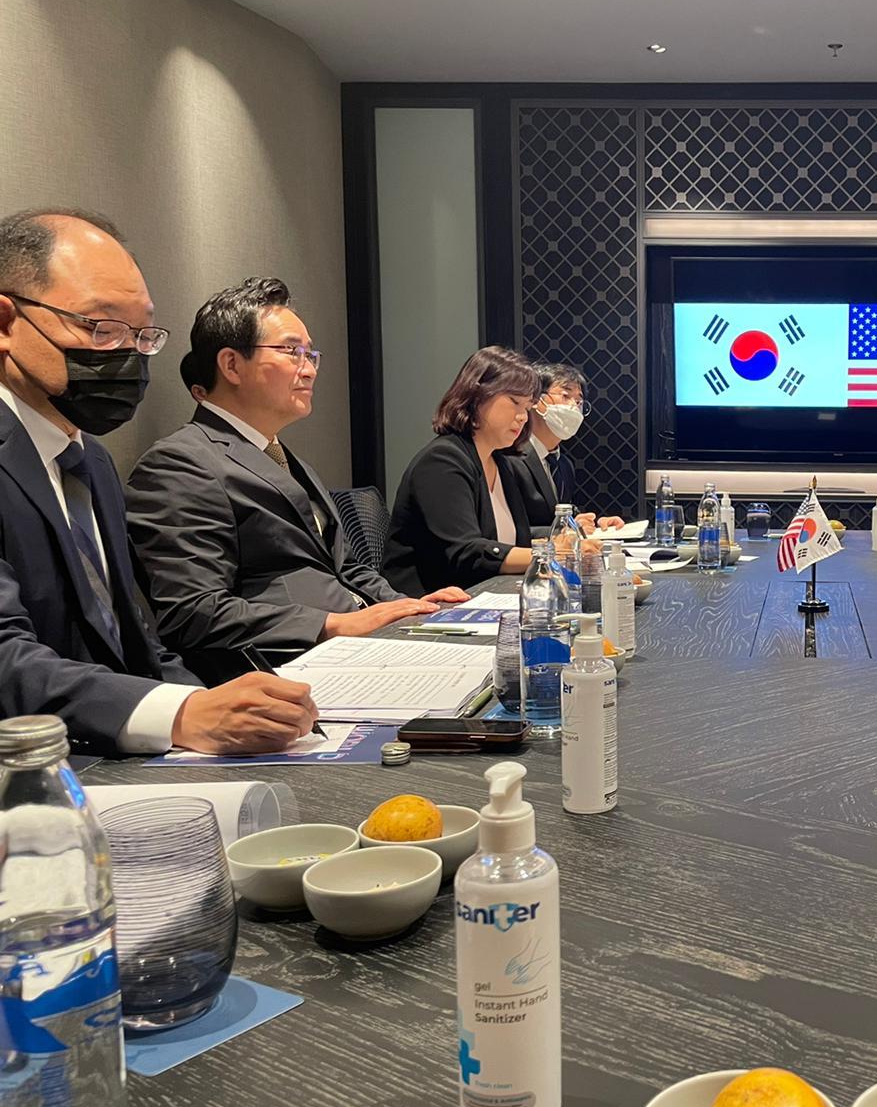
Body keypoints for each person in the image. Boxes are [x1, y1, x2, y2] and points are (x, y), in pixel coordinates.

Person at [0, 208, 316, 754]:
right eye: (100, 327)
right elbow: (7, 658)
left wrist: (219, 713)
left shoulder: (90, 462)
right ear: (6, 323)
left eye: (141, 333)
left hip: (119, 758)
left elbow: (137, 644)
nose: (126, 352)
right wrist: (184, 713)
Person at [125, 277, 466, 667]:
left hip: (359, 650)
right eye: (292, 352)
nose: (309, 370)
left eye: (311, 355)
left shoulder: (280, 454)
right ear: (231, 364)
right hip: (286, 667)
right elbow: (194, 612)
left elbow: (345, 566)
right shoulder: (179, 463)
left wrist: (406, 607)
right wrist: (333, 624)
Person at [385, 346, 551, 596]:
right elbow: (466, 552)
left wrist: (563, 539)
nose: (522, 417)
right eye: (514, 401)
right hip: (426, 607)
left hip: (482, 597)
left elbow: (515, 538)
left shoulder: (501, 462)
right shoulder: (443, 460)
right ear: (477, 395)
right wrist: (549, 555)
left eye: (527, 407)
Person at [521, 361, 623, 533]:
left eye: (579, 401)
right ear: (536, 400)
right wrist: (565, 531)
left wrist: (595, 524)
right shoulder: (510, 458)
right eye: (566, 396)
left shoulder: (564, 464)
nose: (573, 407)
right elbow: (507, 531)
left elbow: (560, 518)